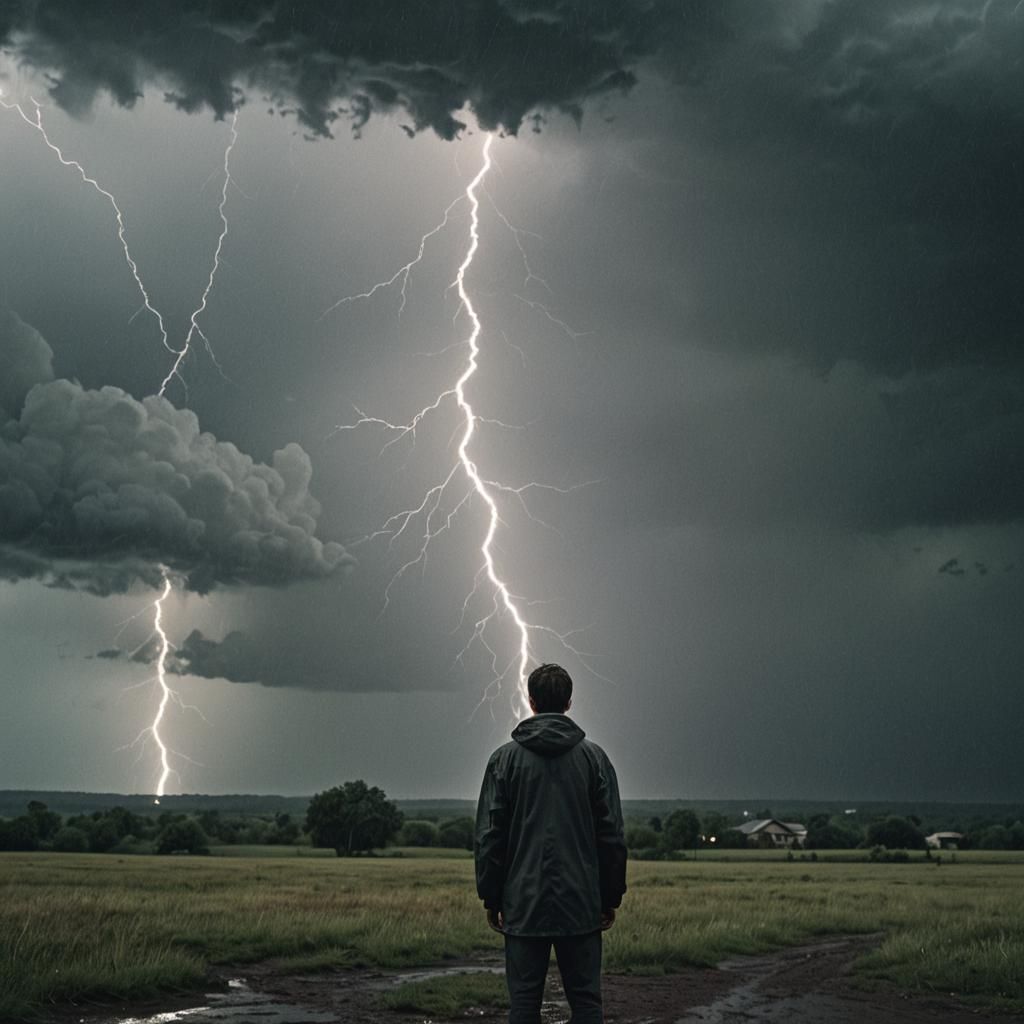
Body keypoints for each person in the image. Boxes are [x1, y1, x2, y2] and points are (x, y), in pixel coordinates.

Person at [474, 663, 627, 1024]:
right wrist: (609, 896)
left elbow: (490, 836)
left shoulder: (503, 761)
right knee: (587, 1004)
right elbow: (612, 836)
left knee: (524, 1006)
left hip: (523, 903)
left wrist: (492, 897)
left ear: (531, 701)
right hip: (581, 902)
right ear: (569, 702)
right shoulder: (595, 759)